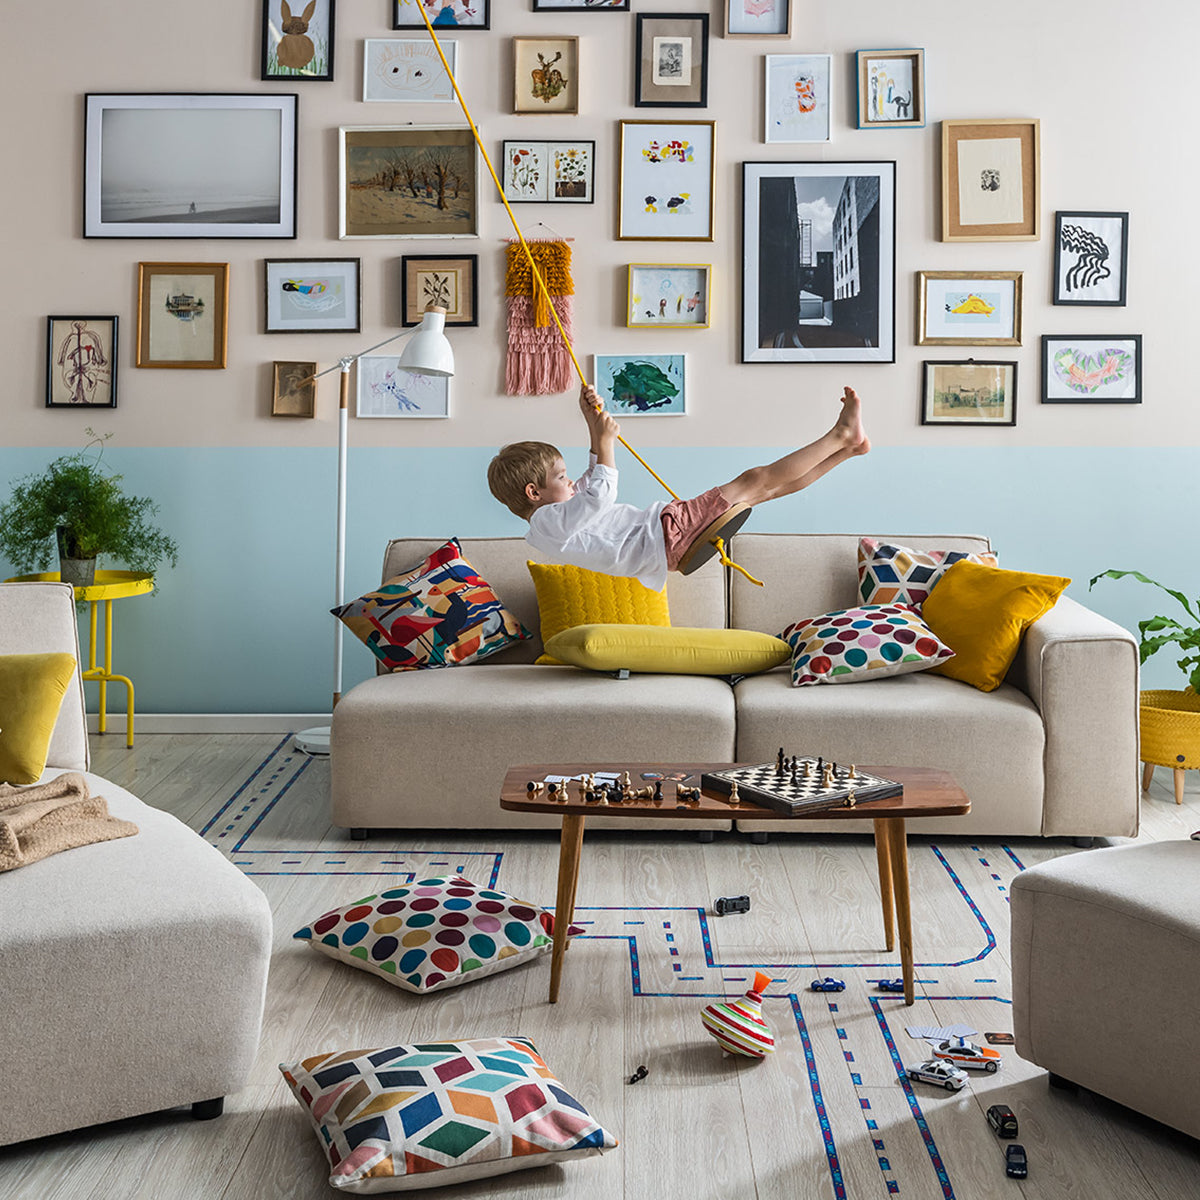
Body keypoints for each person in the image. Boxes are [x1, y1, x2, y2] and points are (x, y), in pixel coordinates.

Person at [486, 384, 869, 592]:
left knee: (765, 491)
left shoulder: (555, 523)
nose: (569, 481)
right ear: (533, 493)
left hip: (669, 540)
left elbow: (588, 487)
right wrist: (605, 443)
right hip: (669, 533)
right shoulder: (548, 523)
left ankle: (847, 450)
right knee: (755, 479)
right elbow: (600, 494)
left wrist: (592, 425)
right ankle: (839, 436)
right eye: (560, 477)